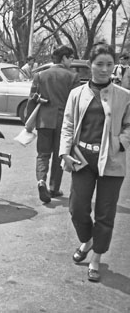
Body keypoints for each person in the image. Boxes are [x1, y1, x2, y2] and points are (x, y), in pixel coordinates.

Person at [59, 42, 130, 283]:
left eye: (109, 64)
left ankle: (96, 257)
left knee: (105, 213)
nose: (104, 69)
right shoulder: (76, 94)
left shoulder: (124, 96)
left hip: (112, 161)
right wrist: (64, 153)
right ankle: (88, 239)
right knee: (77, 208)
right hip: (82, 159)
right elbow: (68, 124)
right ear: (90, 65)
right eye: (99, 64)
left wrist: (120, 143)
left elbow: (129, 126)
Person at [25, 45, 80, 203]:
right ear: (63, 58)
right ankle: (54, 188)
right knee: (59, 155)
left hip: (44, 120)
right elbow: (75, 102)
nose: (72, 61)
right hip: (64, 121)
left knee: (42, 155)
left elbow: (31, 99)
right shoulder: (73, 76)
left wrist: (28, 121)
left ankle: (41, 181)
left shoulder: (40, 75)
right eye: (70, 58)